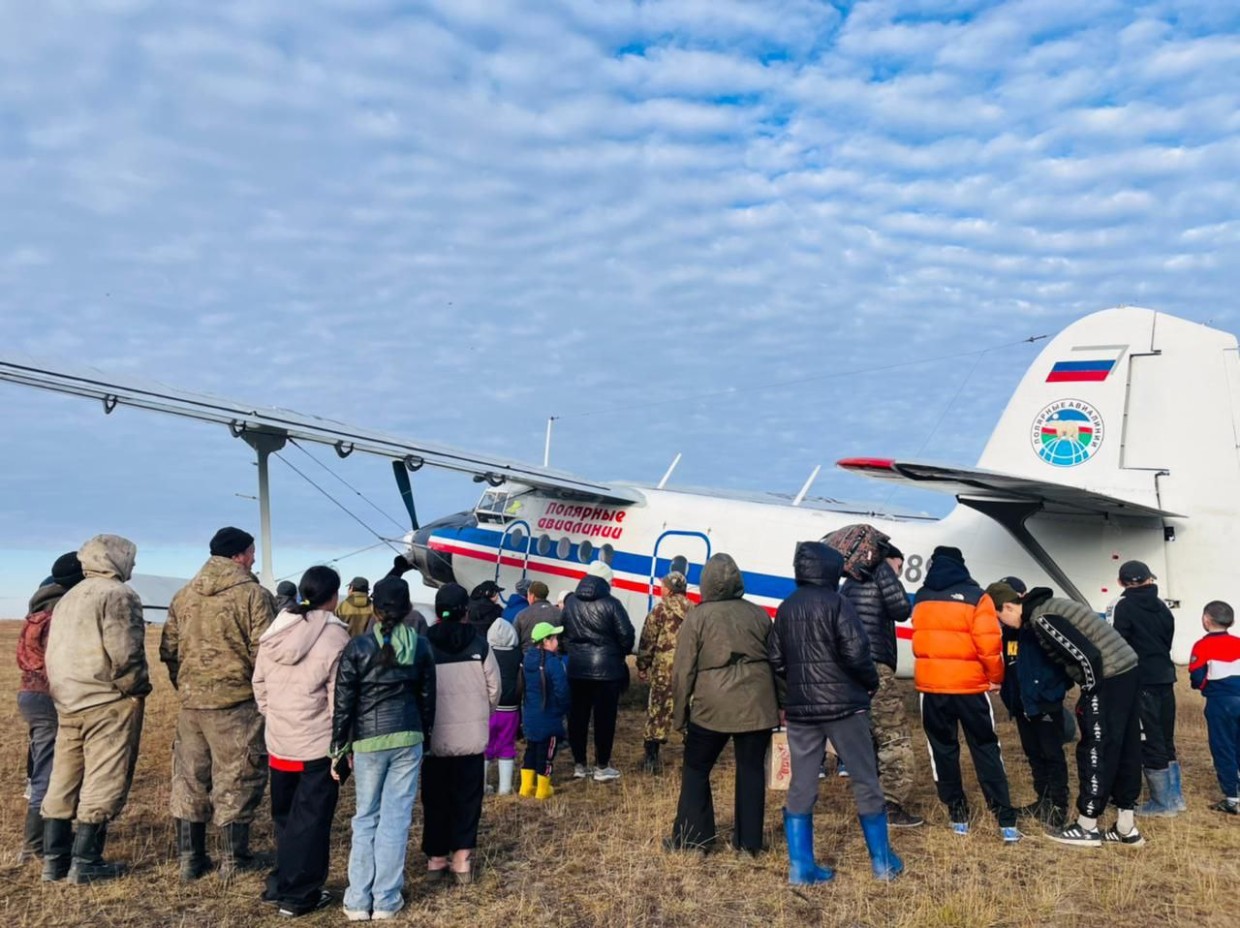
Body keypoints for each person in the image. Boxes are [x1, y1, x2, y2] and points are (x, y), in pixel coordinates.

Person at [769, 542, 902, 883]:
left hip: (801, 711)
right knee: (864, 778)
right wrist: (870, 682)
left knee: (801, 783)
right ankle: (882, 863)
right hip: (845, 706)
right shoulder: (838, 603)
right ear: (829, 570)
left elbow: (776, 659)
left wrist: (799, 684)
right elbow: (857, 651)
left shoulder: (785, 608)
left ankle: (801, 868)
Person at [160, 526, 275, 881]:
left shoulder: (183, 596)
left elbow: (169, 650)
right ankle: (233, 859)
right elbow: (267, 652)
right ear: (239, 555)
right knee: (238, 777)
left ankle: (190, 860)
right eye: (252, 552)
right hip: (238, 704)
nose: (254, 558)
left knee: (190, 779)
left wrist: (189, 686)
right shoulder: (254, 595)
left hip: (192, 705)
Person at [41, 535, 150, 884]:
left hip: (68, 700)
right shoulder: (118, 595)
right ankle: (86, 861)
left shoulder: (70, 597)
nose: (132, 564)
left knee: (64, 777)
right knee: (104, 777)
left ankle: (54, 860)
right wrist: (136, 687)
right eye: (130, 557)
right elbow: (125, 652)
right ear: (116, 558)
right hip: (105, 701)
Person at [331, 577, 436, 921]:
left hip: (368, 740)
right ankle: (387, 900)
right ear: (408, 608)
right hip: (408, 737)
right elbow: (427, 698)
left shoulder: (357, 647)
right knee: (396, 819)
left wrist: (338, 747)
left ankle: (358, 899)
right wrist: (426, 737)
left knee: (366, 818)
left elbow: (344, 702)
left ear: (375, 608)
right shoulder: (420, 647)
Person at [252, 565, 350, 917]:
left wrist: (275, 713)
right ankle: (299, 895)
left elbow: (259, 683)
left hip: (279, 740)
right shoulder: (336, 637)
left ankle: (282, 881)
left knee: (286, 818)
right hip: (315, 744)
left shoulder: (275, 630)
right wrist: (341, 741)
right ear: (333, 596)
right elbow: (339, 697)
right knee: (311, 821)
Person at [666, 554, 778, 857]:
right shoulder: (758, 614)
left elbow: (683, 669)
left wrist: (680, 715)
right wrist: (780, 705)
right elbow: (776, 661)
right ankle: (749, 846)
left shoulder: (698, 617)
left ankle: (693, 841)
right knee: (751, 771)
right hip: (758, 704)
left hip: (711, 706)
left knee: (696, 768)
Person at [1016, 587, 1145, 847]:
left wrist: (1090, 690)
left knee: (1097, 747)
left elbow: (1088, 654)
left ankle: (1087, 825)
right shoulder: (1056, 604)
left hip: (1107, 678)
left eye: (1000, 615)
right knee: (1126, 748)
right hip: (1128, 670)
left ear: (1009, 608)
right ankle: (1125, 827)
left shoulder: (1042, 618)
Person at [911, 546, 1019, 842]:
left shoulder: (921, 597)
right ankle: (1005, 820)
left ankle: (958, 816)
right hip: (970, 688)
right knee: (986, 748)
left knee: (942, 750)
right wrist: (996, 679)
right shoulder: (977, 597)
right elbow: (989, 645)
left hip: (932, 689)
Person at [422, 583, 501, 884]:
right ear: (465, 611)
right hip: (471, 738)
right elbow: (494, 689)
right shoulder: (480, 644)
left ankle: (435, 859)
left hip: (434, 739)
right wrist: (482, 713)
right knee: (468, 799)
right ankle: (462, 861)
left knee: (435, 798)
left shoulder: (424, 643)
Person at [839, 542, 921, 827]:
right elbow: (901, 609)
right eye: (900, 564)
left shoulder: (849, 582)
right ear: (892, 560)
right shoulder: (883, 574)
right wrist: (886, 570)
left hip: (850, 668)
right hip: (875, 666)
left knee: (868, 734)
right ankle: (890, 803)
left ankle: (871, 798)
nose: (901, 570)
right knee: (893, 735)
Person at [986, 581, 1072, 830]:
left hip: (1045, 703)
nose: (1000, 621)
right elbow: (1012, 667)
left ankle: (1058, 806)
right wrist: (1010, 695)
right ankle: (1043, 799)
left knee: (1052, 755)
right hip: (1022, 705)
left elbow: (1063, 662)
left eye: (999, 615)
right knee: (1034, 754)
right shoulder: (1010, 633)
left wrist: (1052, 690)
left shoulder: (1038, 626)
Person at [16, 552, 83, 863]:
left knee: (40, 763)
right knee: (50, 768)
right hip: (51, 696)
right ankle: (34, 846)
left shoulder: (39, 605)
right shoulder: (62, 612)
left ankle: (46, 836)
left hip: (31, 694)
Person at [1111, 560, 1183, 816]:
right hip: (1166, 675)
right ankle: (1175, 798)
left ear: (1121, 583)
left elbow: (1119, 643)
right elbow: (1168, 638)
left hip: (1142, 681)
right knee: (1166, 738)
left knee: (1149, 740)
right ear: (1149, 579)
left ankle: (1161, 803)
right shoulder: (1162, 606)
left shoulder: (1125, 606)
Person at [561, 561, 635, 782]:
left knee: (578, 718)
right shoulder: (612, 604)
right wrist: (616, 653)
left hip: (577, 668)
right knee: (604, 720)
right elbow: (627, 636)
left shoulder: (571, 602)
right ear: (604, 581)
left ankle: (579, 764)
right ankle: (602, 766)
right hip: (607, 671)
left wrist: (573, 652)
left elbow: (562, 631)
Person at [636, 571, 691, 775]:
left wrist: (642, 666)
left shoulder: (660, 609)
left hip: (663, 673)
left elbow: (648, 640)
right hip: (688, 673)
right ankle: (690, 763)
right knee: (688, 714)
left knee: (658, 714)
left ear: (669, 589)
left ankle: (651, 761)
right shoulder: (695, 611)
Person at [1188, 600, 1240, 814]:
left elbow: (1197, 677)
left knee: (1223, 747)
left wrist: (1205, 687)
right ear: (1232, 621)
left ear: (1206, 620)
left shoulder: (1202, 646)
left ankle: (1231, 798)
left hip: (1221, 702)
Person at [520, 622, 571, 800]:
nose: (557, 641)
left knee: (531, 750)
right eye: (555, 638)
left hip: (531, 716)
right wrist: (564, 708)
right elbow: (562, 690)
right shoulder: (553, 663)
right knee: (546, 754)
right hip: (549, 716)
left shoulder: (527, 660)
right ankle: (543, 789)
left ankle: (526, 786)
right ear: (546, 641)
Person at [484, 618, 521, 795]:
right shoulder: (517, 655)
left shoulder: (486, 653)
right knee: (507, 744)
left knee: (486, 744)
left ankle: (482, 785)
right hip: (510, 707)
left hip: (489, 707)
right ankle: (505, 788)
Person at [514, 581, 559, 653]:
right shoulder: (558, 612)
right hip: (553, 658)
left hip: (528, 658)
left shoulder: (521, 615)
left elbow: (515, 640)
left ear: (532, 596)